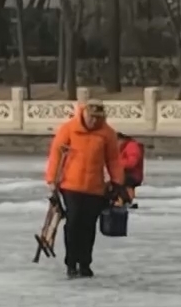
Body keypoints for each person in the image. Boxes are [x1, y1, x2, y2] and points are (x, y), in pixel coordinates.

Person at [45, 102, 123, 278]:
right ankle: (71, 262)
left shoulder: (107, 133)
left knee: (88, 227)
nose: (94, 121)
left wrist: (117, 182)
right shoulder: (69, 129)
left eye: (98, 118)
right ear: (84, 114)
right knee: (73, 224)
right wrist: (51, 180)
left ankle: (85, 262)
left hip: (95, 188)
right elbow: (56, 155)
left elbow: (113, 160)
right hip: (70, 186)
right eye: (91, 117)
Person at [118, 134, 145, 208]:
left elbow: (132, 162)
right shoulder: (123, 147)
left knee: (119, 181)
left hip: (133, 174)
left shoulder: (132, 146)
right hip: (126, 173)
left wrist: (117, 164)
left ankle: (125, 199)